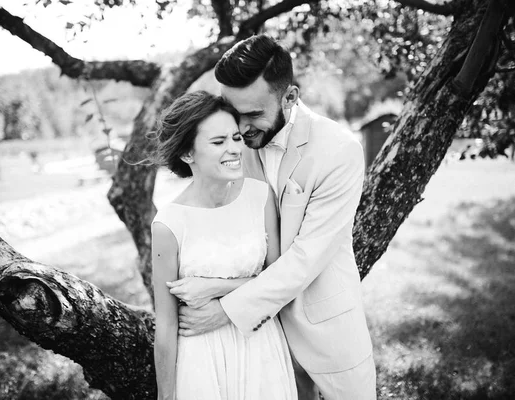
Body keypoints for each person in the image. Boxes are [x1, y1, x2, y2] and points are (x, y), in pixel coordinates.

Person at [169, 35, 376, 400]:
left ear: (290, 97)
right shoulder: (239, 146)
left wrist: (224, 310)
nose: (242, 128)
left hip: (326, 328)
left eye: (253, 114)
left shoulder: (339, 151)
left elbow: (304, 260)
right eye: (235, 114)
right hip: (260, 342)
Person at [150, 90, 297, 400]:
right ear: (188, 154)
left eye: (235, 137)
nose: (234, 150)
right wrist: (165, 395)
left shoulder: (261, 197)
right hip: (203, 360)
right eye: (218, 143)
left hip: (260, 346)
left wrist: (214, 287)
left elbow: (280, 281)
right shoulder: (169, 225)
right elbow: (165, 324)